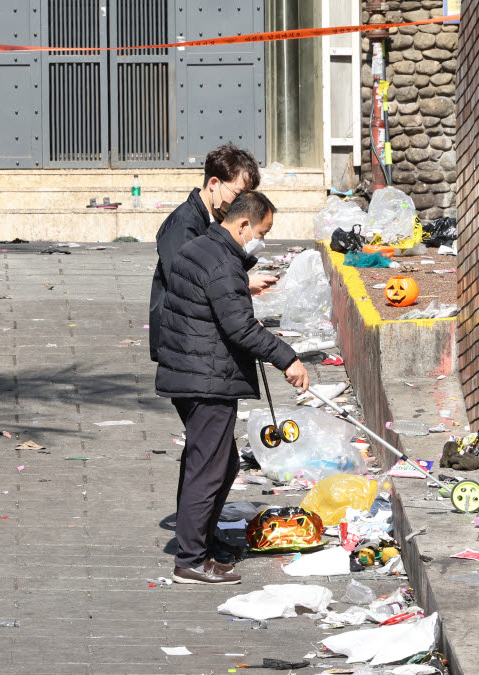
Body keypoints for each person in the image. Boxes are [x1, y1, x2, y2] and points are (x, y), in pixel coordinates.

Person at [156, 191, 310, 584]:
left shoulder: (203, 248)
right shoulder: (223, 263)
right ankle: (191, 560)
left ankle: (201, 545)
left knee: (217, 463)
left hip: (189, 372)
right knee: (208, 469)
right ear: (243, 224)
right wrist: (286, 359)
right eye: (262, 231)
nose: (261, 239)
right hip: (205, 378)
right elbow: (240, 328)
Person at [149, 142, 278, 364]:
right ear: (214, 183)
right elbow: (187, 282)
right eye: (238, 194)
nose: (242, 203)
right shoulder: (183, 224)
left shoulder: (217, 219)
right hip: (182, 338)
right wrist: (243, 283)